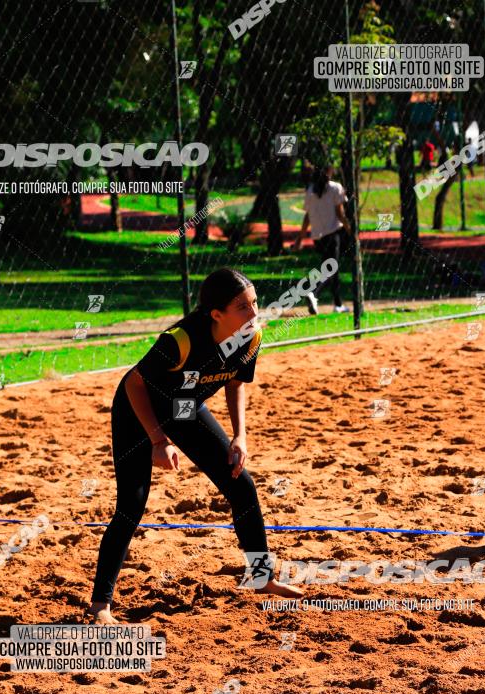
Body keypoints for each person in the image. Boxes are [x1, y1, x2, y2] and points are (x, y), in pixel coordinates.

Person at [89, 268, 303, 624]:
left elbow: (236, 384)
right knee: (132, 505)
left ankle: (262, 576)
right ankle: (101, 606)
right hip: (137, 409)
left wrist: (240, 435)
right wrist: (158, 440)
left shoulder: (250, 337)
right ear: (216, 314)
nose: (254, 313)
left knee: (242, 485)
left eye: (254, 303)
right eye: (242, 307)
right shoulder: (180, 340)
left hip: (184, 408)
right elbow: (135, 386)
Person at [292, 164, 351, 314]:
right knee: (331, 269)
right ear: (329, 172)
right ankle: (314, 293)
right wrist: (350, 230)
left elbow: (307, 217)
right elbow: (340, 213)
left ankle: (337, 304)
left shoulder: (311, 190)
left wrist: (301, 237)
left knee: (331, 269)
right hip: (332, 234)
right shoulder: (335, 188)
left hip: (318, 237)